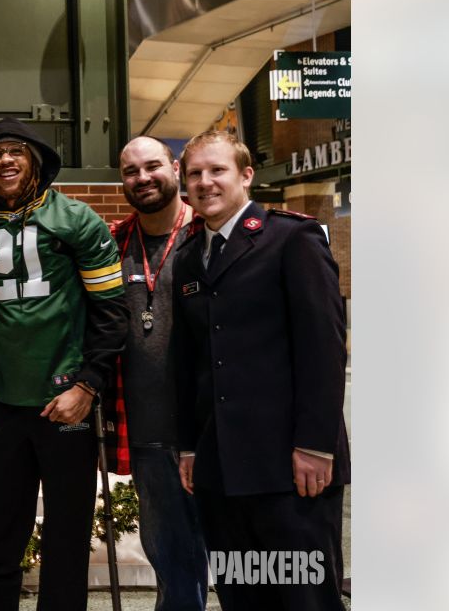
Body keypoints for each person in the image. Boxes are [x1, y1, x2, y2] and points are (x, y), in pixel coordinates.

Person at [0, 117, 129, 610]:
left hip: (64, 403)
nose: (5, 159)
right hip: (0, 406)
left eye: (16, 151)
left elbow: (112, 314)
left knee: (67, 540)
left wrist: (88, 387)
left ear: (37, 160)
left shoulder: (78, 220)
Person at [173, 130, 349, 611]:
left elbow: (325, 349)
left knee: (302, 599)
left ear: (246, 176)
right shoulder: (189, 258)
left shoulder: (292, 238)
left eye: (217, 170)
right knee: (242, 597)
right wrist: (190, 446)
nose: (205, 182)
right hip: (222, 472)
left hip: (290, 468)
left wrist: (315, 445)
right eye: (195, 173)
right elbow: (188, 363)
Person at [109, 136, 208, 611]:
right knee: (170, 558)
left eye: (152, 167)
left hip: (213, 427)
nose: (143, 178)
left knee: (237, 558)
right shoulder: (112, 244)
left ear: (174, 167)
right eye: (131, 171)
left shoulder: (209, 233)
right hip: (147, 430)